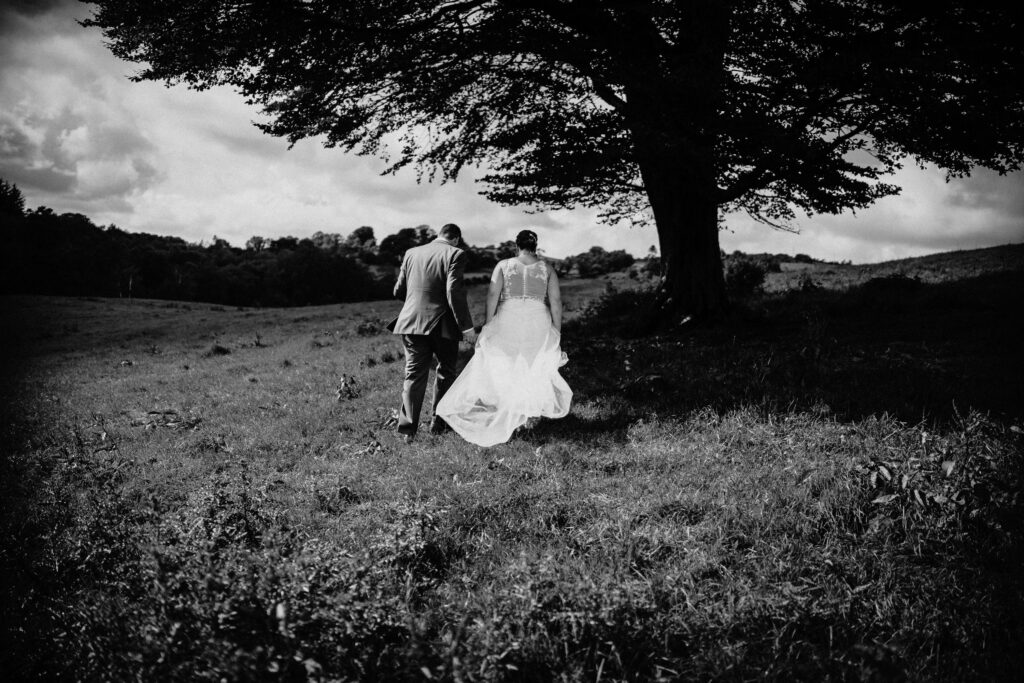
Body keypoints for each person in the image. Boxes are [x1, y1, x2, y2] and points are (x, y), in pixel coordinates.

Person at [435, 229, 572, 447]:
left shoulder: (503, 265)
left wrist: (489, 324)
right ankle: (525, 415)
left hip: (509, 317)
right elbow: (555, 301)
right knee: (531, 364)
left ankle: (514, 415)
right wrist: (557, 330)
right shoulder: (547, 268)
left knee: (507, 365)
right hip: (537, 319)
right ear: (535, 246)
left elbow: (492, 295)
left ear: (516, 246)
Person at [387, 223, 477, 443]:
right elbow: (453, 291)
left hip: (410, 323)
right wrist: (466, 327)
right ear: (456, 239)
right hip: (442, 323)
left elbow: (398, 291)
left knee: (414, 374)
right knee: (446, 371)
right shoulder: (456, 254)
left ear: (439, 235)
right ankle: (438, 423)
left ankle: (408, 430)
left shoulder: (411, 253)